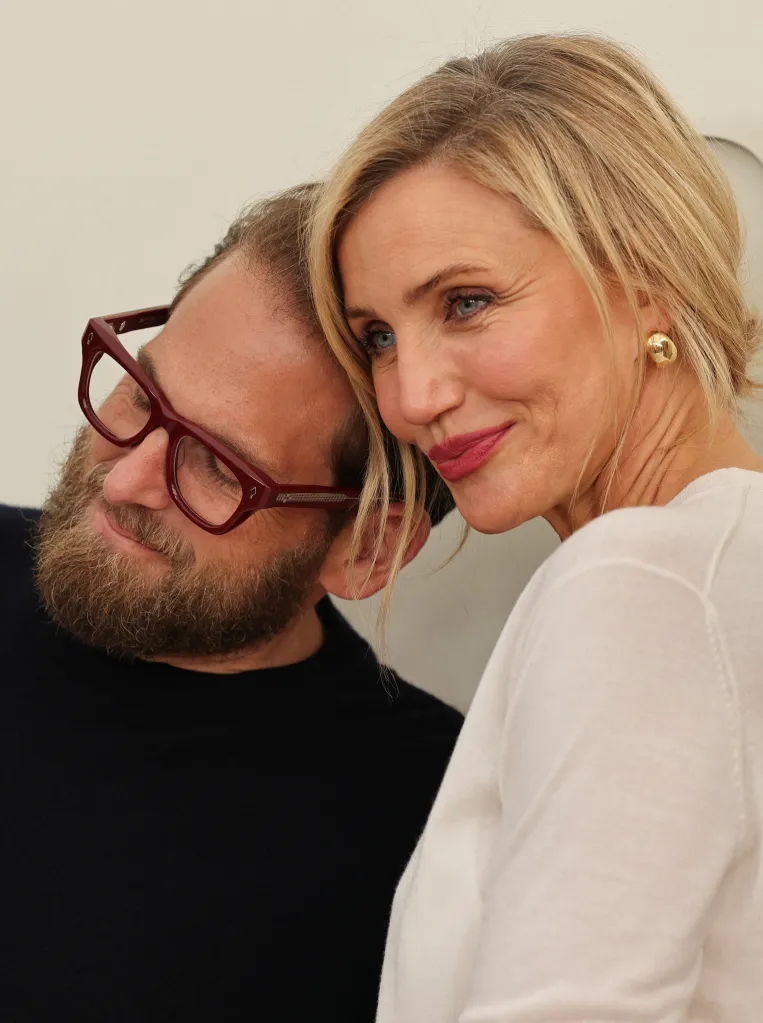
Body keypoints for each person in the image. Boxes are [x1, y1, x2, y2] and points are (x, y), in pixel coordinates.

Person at [309, 34, 763, 1023]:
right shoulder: (725, 563)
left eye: (465, 303)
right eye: (377, 337)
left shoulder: (639, 579)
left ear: (645, 277)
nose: (410, 396)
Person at [0, 183, 461, 1022]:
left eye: (218, 466)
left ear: (365, 549)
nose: (129, 477)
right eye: (142, 393)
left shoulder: (433, 829)